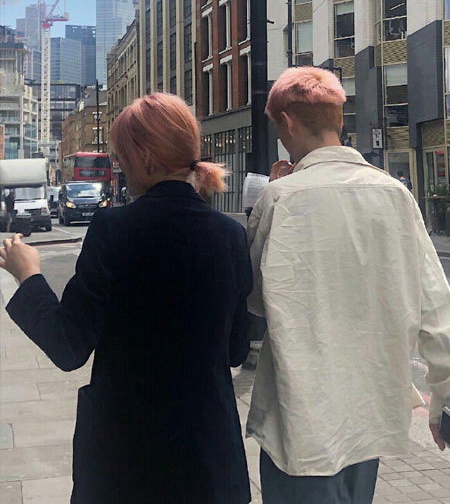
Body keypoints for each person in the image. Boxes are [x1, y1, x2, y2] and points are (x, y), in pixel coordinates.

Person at [1, 93, 253, 504]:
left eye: (121, 156)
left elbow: (68, 346)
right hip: (209, 461)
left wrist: (28, 275)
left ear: (147, 158)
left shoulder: (113, 229)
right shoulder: (231, 234)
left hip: (127, 461)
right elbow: (237, 349)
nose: (118, 165)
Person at [246, 67, 450, 504]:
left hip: (300, 421)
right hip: (368, 419)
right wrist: (444, 397)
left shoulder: (279, 198)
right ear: (337, 118)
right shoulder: (395, 194)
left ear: (287, 122)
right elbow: (436, 306)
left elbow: (257, 301)